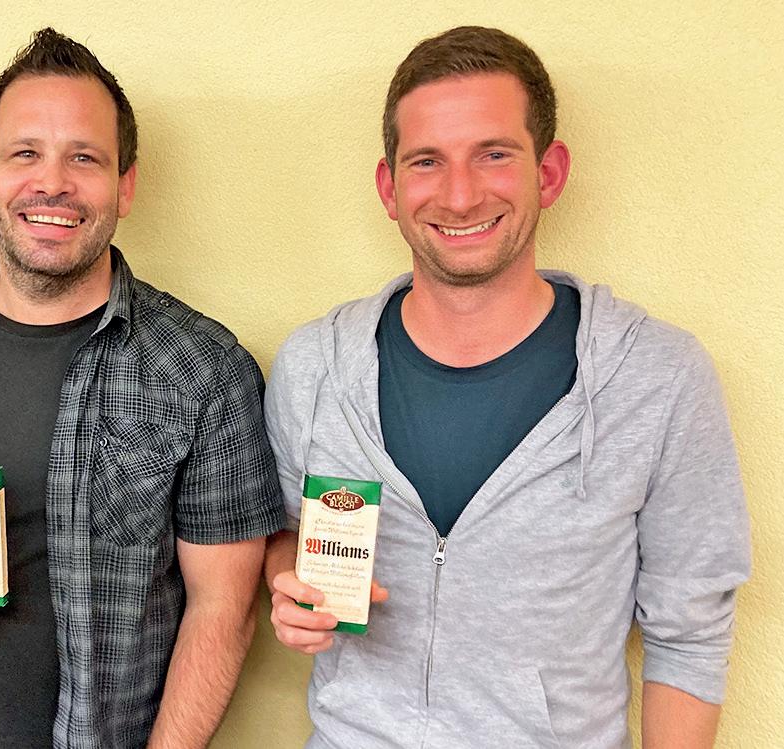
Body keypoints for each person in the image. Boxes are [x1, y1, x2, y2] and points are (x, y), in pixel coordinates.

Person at [263, 25, 750, 748]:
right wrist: (290, 583)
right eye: (427, 161)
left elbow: (690, 633)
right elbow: (284, 533)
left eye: (493, 154)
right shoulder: (314, 367)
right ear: (389, 187)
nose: (460, 195)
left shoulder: (659, 377)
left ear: (547, 173)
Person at [0, 28, 283, 749]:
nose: (53, 183)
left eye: (84, 158)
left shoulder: (203, 369)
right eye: (25, 153)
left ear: (126, 185)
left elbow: (222, 610)